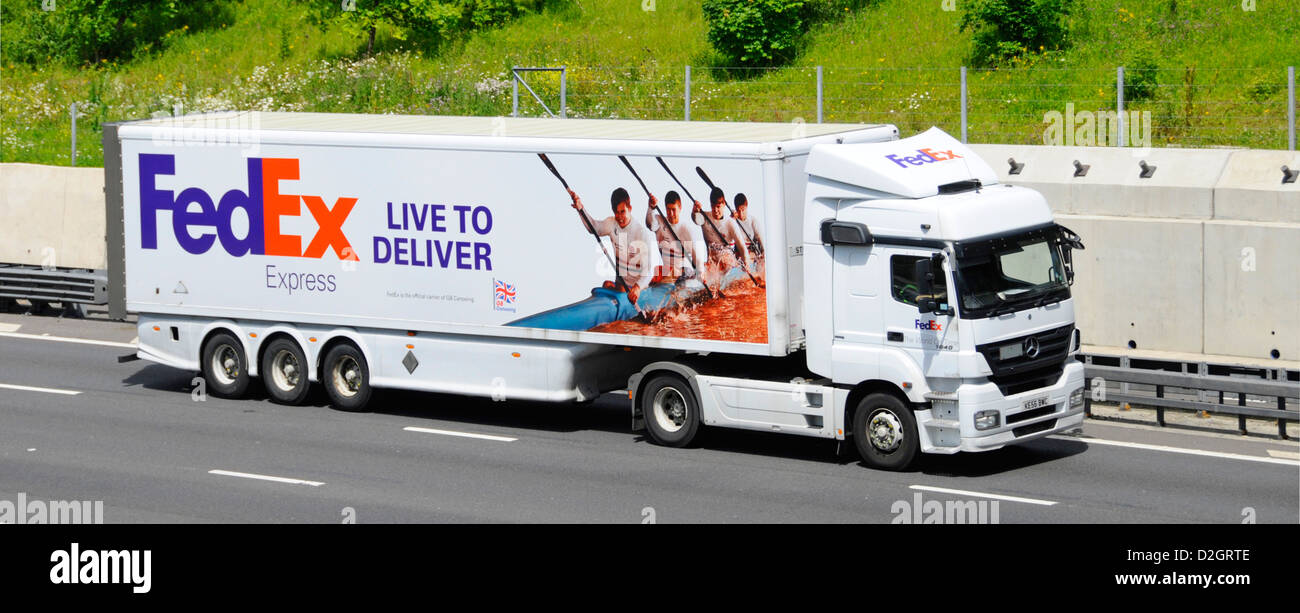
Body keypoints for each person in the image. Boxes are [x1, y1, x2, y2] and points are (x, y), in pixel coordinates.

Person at [571, 187, 654, 305]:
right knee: (606, 285)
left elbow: (648, 272)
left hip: (638, 291)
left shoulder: (640, 233)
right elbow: (593, 228)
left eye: (622, 212)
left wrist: (637, 288)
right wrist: (581, 209)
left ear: (629, 208)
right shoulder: (611, 223)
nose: (619, 217)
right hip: (620, 287)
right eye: (616, 213)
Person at [644, 190, 701, 281]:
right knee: (657, 273)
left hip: (685, 272)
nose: (671, 213)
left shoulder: (686, 229)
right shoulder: (659, 222)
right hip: (668, 274)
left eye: (673, 209)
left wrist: (700, 274)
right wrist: (651, 208)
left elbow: (696, 256)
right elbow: (649, 224)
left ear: (680, 207)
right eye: (668, 209)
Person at [692, 186, 749, 271]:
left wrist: (746, 265)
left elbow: (743, 249)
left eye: (718, 206)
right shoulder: (705, 218)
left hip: (730, 268)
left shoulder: (730, 223)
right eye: (713, 206)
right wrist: (694, 211)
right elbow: (695, 219)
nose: (715, 210)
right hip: (713, 268)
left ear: (724, 205)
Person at [730, 193, 763, 258]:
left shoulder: (753, 221)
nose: (741, 214)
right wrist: (731, 220)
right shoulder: (732, 221)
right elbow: (729, 243)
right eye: (738, 211)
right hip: (738, 256)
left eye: (743, 210)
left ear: (746, 206)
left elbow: (762, 243)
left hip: (752, 255)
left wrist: (763, 254)